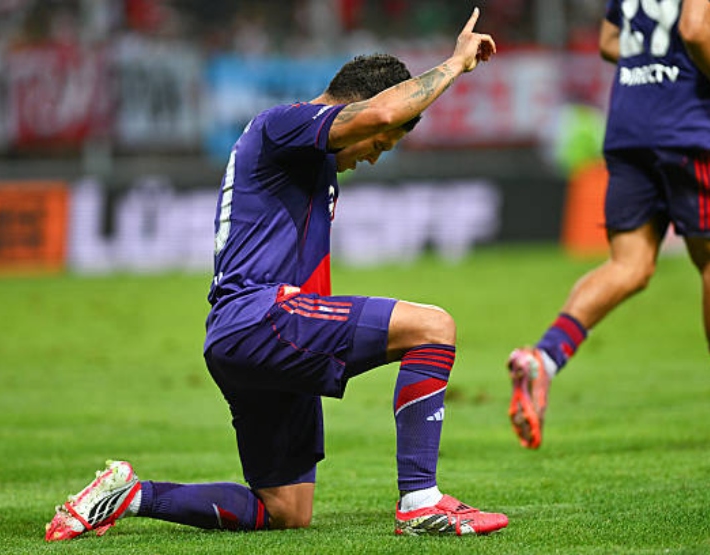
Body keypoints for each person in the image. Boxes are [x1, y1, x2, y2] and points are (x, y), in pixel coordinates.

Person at [45, 8, 507, 540]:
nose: (375, 156)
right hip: (262, 317)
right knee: (433, 328)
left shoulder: (306, 158)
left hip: (240, 336)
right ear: (353, 106)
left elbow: (375, 121)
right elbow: (379, 115)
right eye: (380, 147)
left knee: (284, 509)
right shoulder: (284, 124)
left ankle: (130, 495)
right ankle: (422, 501)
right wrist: (453, 65)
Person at [507, 0, 710, 450]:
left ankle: (546, 357)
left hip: (628, 126)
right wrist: (679, 66)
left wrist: (655, 63)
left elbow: (609, 42)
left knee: (629, 265)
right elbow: (696, 29)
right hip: (687, 126)